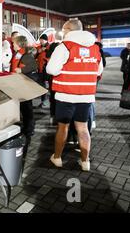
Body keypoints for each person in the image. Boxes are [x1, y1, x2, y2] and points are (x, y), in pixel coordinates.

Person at [46, 19, 104, 172]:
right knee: (83, 128)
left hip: (65, 95)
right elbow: (98, 71)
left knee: (63, 128)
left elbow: (51, 70)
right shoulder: (95, 48)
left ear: (69, 29)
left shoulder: (64, 46)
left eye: (64, 30)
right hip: (86, 96)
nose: (63, 33)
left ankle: (57, 158)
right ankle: (85, 161)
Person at [11, 36, 38, 137]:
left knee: (26, 108)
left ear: (18, 44)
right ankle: (26, 127)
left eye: (14, 43)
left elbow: (34, 66)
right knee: (23, 107)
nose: (12, 45)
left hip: (24, 85)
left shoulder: (26, 55)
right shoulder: (19, 54)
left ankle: (29, 129)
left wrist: (21, 70)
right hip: (20, 84)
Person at [46, 31, 64, 125]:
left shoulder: (55, 47)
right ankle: (56, 117)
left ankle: (53, 117)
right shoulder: (63, 47)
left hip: (54, 79)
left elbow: (49, 65)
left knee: (53, 98)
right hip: (59, 79)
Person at [36, 34, 50, 108]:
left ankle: (51, 101)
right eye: (40, 40)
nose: (40, 41)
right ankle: (43, 101)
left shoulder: (50, 47)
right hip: (40, 69)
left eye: (42, 40)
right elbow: (34, 56)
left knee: (49, 86)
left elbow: (50, 55)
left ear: (46, 40)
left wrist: (46, 50)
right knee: (42, 85)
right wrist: (38, 52)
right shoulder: (38, 47)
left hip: (47, 69)